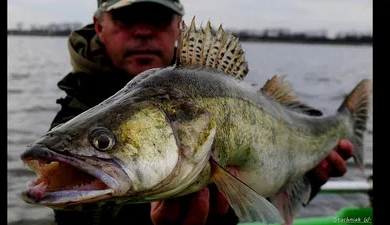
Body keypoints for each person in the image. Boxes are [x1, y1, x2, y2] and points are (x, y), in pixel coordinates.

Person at [48, 0, 355, 224]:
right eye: (127, 18)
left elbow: (265, 211)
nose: (142, 31)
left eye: (156, 17)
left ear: (179, 26)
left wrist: (308, 177)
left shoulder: (212, 89)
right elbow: (75, 216)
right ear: (99, 26)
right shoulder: (74, 112)